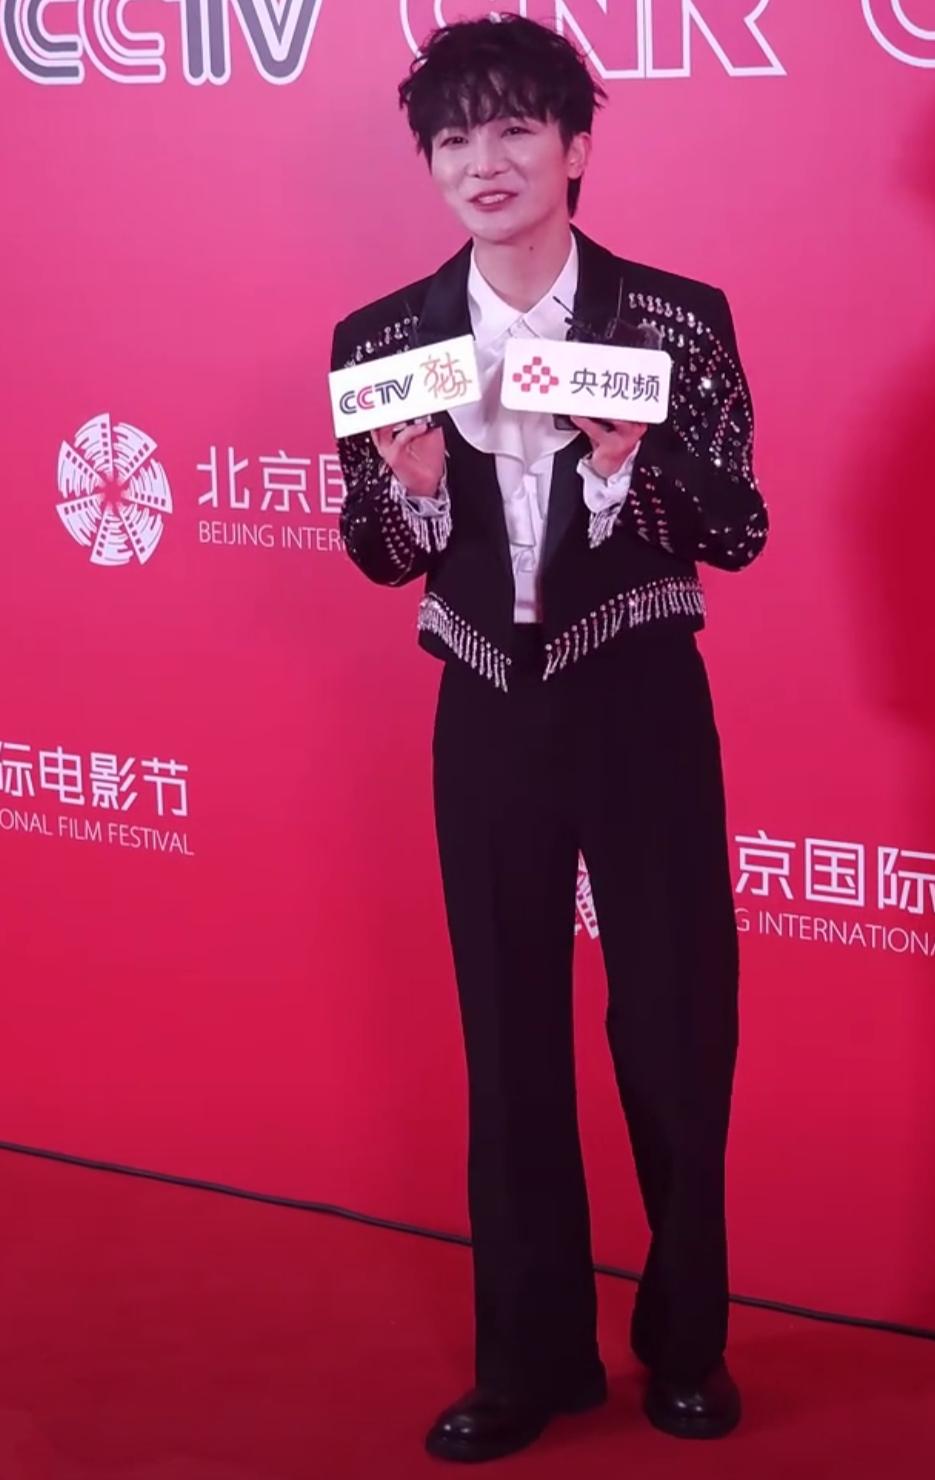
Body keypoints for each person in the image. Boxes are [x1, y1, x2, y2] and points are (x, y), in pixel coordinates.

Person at [330, 13, 768, 1465]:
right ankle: (527, 1360)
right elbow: (374, 551)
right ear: (431, 165)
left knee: (676, 1028)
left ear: (576, 148)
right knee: (508, 1036)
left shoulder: (674, 320)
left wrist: (639, 459)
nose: (486, 161)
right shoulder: (385, 340)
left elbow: (740, 527)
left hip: (641, 703)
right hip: (486, 714)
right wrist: (410, 491)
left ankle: (687, 1343)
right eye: (456, 137)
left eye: (517, 128)